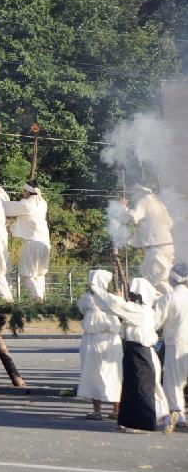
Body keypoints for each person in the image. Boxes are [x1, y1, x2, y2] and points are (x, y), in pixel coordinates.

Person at [90, 274, 168, 431]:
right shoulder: (140, 310)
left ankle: (145, 422)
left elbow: (114, 305)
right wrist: (115, 298)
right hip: (135, 351)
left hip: (140, 352)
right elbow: (113, 307)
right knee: (132, 388)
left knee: (141, 388)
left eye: (132, 295)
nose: (130, 297)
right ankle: (130, 421)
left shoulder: (140, 311)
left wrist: (97, 289)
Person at [77, 270, 122, 420]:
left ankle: (102, 410)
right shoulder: (113, 299)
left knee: (101, 374)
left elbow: (81, 310)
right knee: (107, 373)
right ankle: (112, 409)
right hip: (105, 340)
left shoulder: (88, 299)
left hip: (99, 340)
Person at [119, 185, 174, 294]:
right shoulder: (159, 202)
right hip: (169, 245)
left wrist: (123, 207)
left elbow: (134, 217)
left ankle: (172, 298)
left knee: (152, 279)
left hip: (157, 247)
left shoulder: (144, 201)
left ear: (140, 191)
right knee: (164, 278)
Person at [3, 179, 51, 300]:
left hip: (33, 242)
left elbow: (8, 207)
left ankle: (35, 298)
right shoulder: (43, 203)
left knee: (26, 274)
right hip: (45, 243)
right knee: (40, 274)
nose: (23, 193)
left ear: (27, 192)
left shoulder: (26, 204)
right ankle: (40, 300)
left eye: (24, 191)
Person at [156, 263, 188, 431]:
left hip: (176, 343)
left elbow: (156, 321)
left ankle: (179, 412)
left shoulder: (169, 297)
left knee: (174, 381)